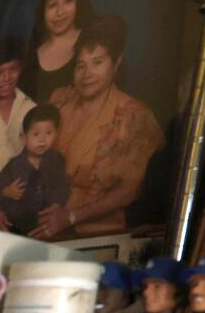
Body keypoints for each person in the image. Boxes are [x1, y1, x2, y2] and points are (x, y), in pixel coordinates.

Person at [35, 17, 165, 238]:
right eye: (80, 65)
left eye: (97, 63)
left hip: (94, 235)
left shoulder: (134, 116)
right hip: (42, 222)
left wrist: (71, 216)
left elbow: (128, 192)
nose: (86, 75)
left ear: (116, 64)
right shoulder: (59, 100)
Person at [0, 103, 69, 234]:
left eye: (49, 133)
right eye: (36, 134)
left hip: (45, 223)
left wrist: (57, 204)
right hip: (16, 225)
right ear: (24, 137)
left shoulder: (56, 160)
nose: (42, 140)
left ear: (56, 134)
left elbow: (63, 186)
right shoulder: (14, 165)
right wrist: (7, 192)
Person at [25, 0, 96, 101]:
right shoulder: (31, 55)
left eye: (68, 1)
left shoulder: (94, 41)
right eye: (52, 5)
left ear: (78, 3)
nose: (60, 12)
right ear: (42, 11)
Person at [0, 37, 35, 177]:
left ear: (20, 70)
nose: (7, 78)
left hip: (22, 194)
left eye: (13, 70)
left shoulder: (32, 109)